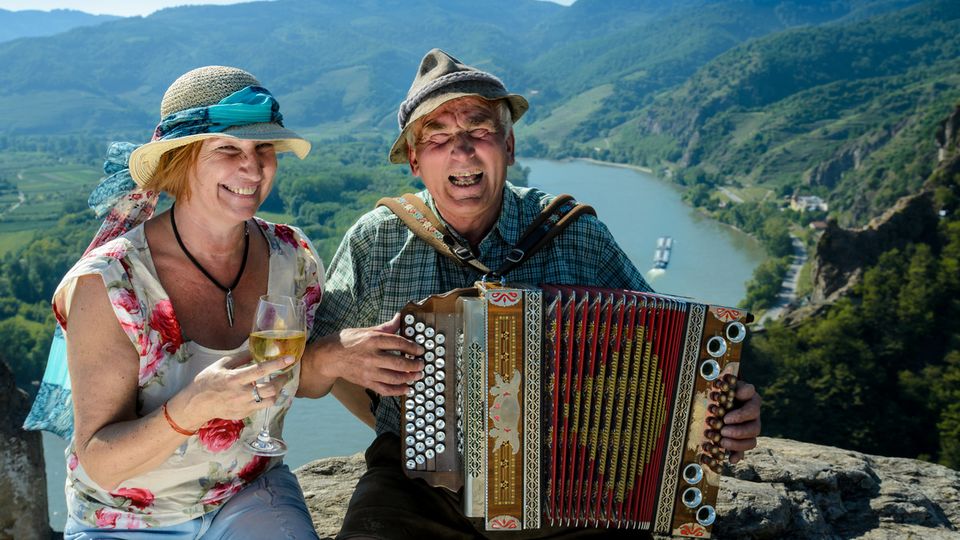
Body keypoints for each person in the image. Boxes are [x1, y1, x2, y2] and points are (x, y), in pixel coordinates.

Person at [304, 49, 763, 539]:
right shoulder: (377, 240)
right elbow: (308, 376)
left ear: (509, 144)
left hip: (574, 485)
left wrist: (717, 412)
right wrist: (337, 358)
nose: (462, 151)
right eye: (438, 137)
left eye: (479, 130)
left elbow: (669, 354)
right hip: (417, 485)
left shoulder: (573, 232)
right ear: (415, 160)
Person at [48, 65, 382, 539]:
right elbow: (101, 462)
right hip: (126, 520)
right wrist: (192, 408)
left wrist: (331, 357)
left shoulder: (293, 255)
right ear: (181, 161)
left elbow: (291, 380)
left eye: (263, 148)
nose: (253, 166)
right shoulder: (109, 283)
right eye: (228, 149)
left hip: (247, 492)